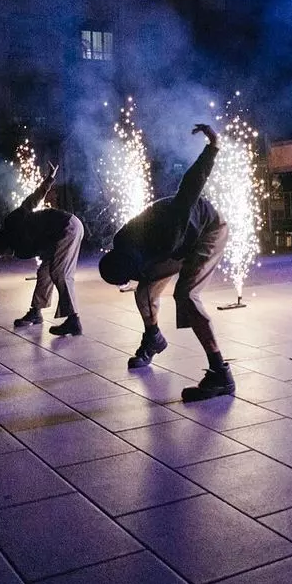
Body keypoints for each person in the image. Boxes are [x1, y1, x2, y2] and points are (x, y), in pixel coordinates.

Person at [98, 123, 232, 402]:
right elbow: (144, 269)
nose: (139, 274)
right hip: (174, 245)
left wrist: (213, 147)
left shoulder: (168, 229)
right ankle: (153, 337)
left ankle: (220, 373)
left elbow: (191, 185)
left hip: (207, 230)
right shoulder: (124, 240)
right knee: (145, 291)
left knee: (185, 294)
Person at [4, 162, 84, 335]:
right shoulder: (17, 238)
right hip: (56, 235)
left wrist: (49, 181)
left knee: (59, 273)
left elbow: (32, 200)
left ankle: (73, 320)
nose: (5, 256)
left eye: (0, 253)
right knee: (44, 273)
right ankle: (36, 312)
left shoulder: (14, 224)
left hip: (66, 228)